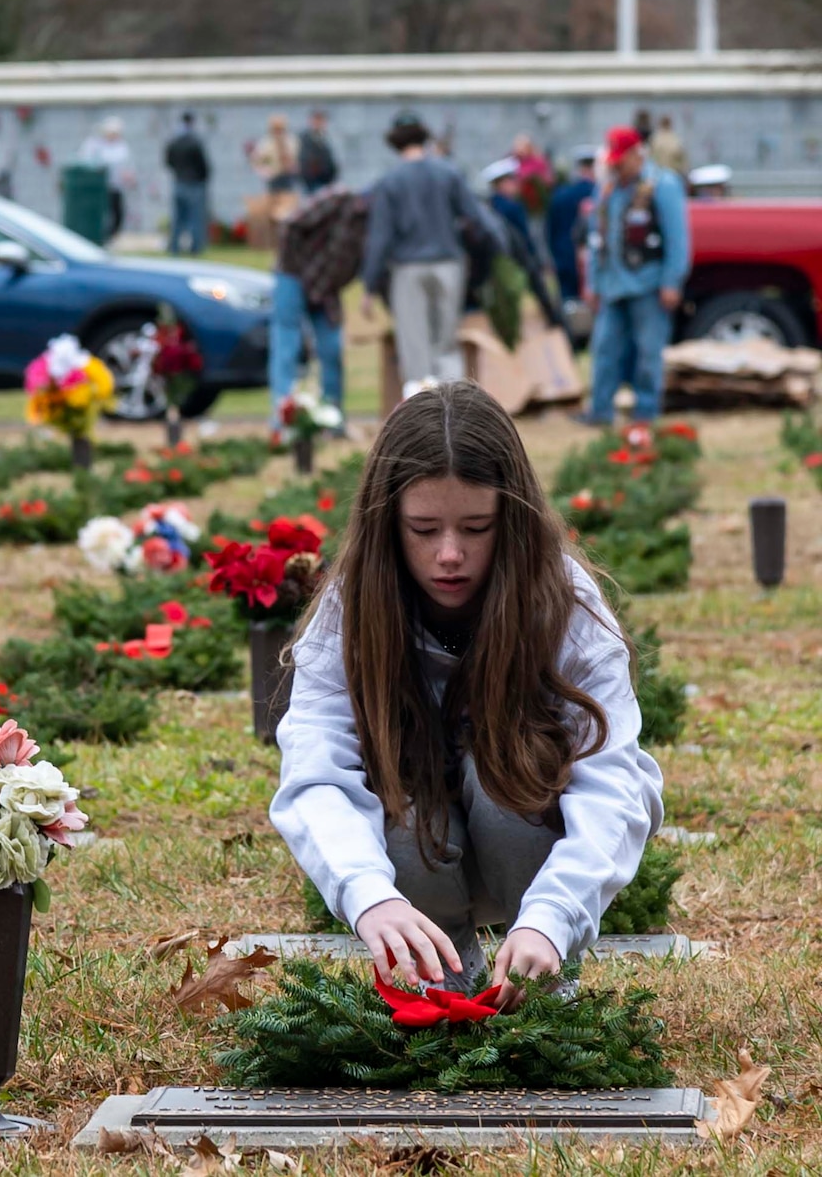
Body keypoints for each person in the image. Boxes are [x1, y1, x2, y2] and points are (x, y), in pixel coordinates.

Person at [273, 381, 663, 994]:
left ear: (512, 520)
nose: (449, 555)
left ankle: (539, 971)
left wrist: (552, 919)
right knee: (399, 801)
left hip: (529, 844)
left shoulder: (566, 605)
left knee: (508, 776)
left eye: (476, 527)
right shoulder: (351, 609)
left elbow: (612, 782)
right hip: (420, 848)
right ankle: (444, 968)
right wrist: (369, 895)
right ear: (387, 522)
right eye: (423, 529)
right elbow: (316, 771)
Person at [361, 112, 504, 388]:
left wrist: (369, 285)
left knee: (415, 343)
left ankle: (418, 403)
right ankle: (454, 404)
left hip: (408, 267)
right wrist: (500, 249)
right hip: (449, 264)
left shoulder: (390, 181)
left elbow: (380, 238)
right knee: (447, 341)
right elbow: (478, 216)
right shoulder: (447, 172)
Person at [581, 126, 691, 425]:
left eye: (621, 159)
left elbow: (677, 239)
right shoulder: (606, 189)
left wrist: (672, 281)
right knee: (604, 349)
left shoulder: (662, 185)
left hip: (649, 284)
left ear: (636, 154)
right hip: (612, 284)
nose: (616, 165)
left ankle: (646, 413)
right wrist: (592, 282)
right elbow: (596, 237)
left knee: (648, 352)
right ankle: (600, 411)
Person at [270, 185, 366, 427]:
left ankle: (332, 421)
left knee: (332, 350)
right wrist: (299, 269)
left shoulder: (376, 230)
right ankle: (283, 422)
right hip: (293, 275)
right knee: (287, 348)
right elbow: (291, 224)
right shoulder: (339, 198)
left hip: (326, 289)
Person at [545, 146, 599, 306]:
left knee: (570, 307)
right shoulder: (601, 194)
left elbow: (550, 231)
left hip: (565, 256)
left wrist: (554, 256)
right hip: (593, 262)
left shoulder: (561, 195)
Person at [80, 115, 138, 240]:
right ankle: (99, 236)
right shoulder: (96, 145)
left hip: (116, 186)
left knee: (117, 213)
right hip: (100, 187)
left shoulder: (122, 146)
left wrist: (130, 176)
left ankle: (112, 236)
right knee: (101, 213)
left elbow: (128, 164)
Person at [164, 112, 210, 256]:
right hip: (194, 183)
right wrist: (202, 177)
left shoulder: (174, 141)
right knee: (195, 217)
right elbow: (203, 165)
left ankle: (174, 247)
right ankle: (195, 247)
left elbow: (168, 161)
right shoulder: (194, 142)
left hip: (178, 182)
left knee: (178, 218)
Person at [250, 113, 300, 195]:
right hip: (273, 178)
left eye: (280, 129)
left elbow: (294, 160)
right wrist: (266, 171)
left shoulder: (291, 141)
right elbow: (258, 161)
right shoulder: (266, 143)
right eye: (276, 130)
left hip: (288, 177)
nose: (278, 133)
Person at [297, 110, 339, 194]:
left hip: (326, 182)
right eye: (317, 120)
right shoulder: (304, 138)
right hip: (311, 182)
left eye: (321, 120)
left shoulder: (325, 138)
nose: (319, 123)